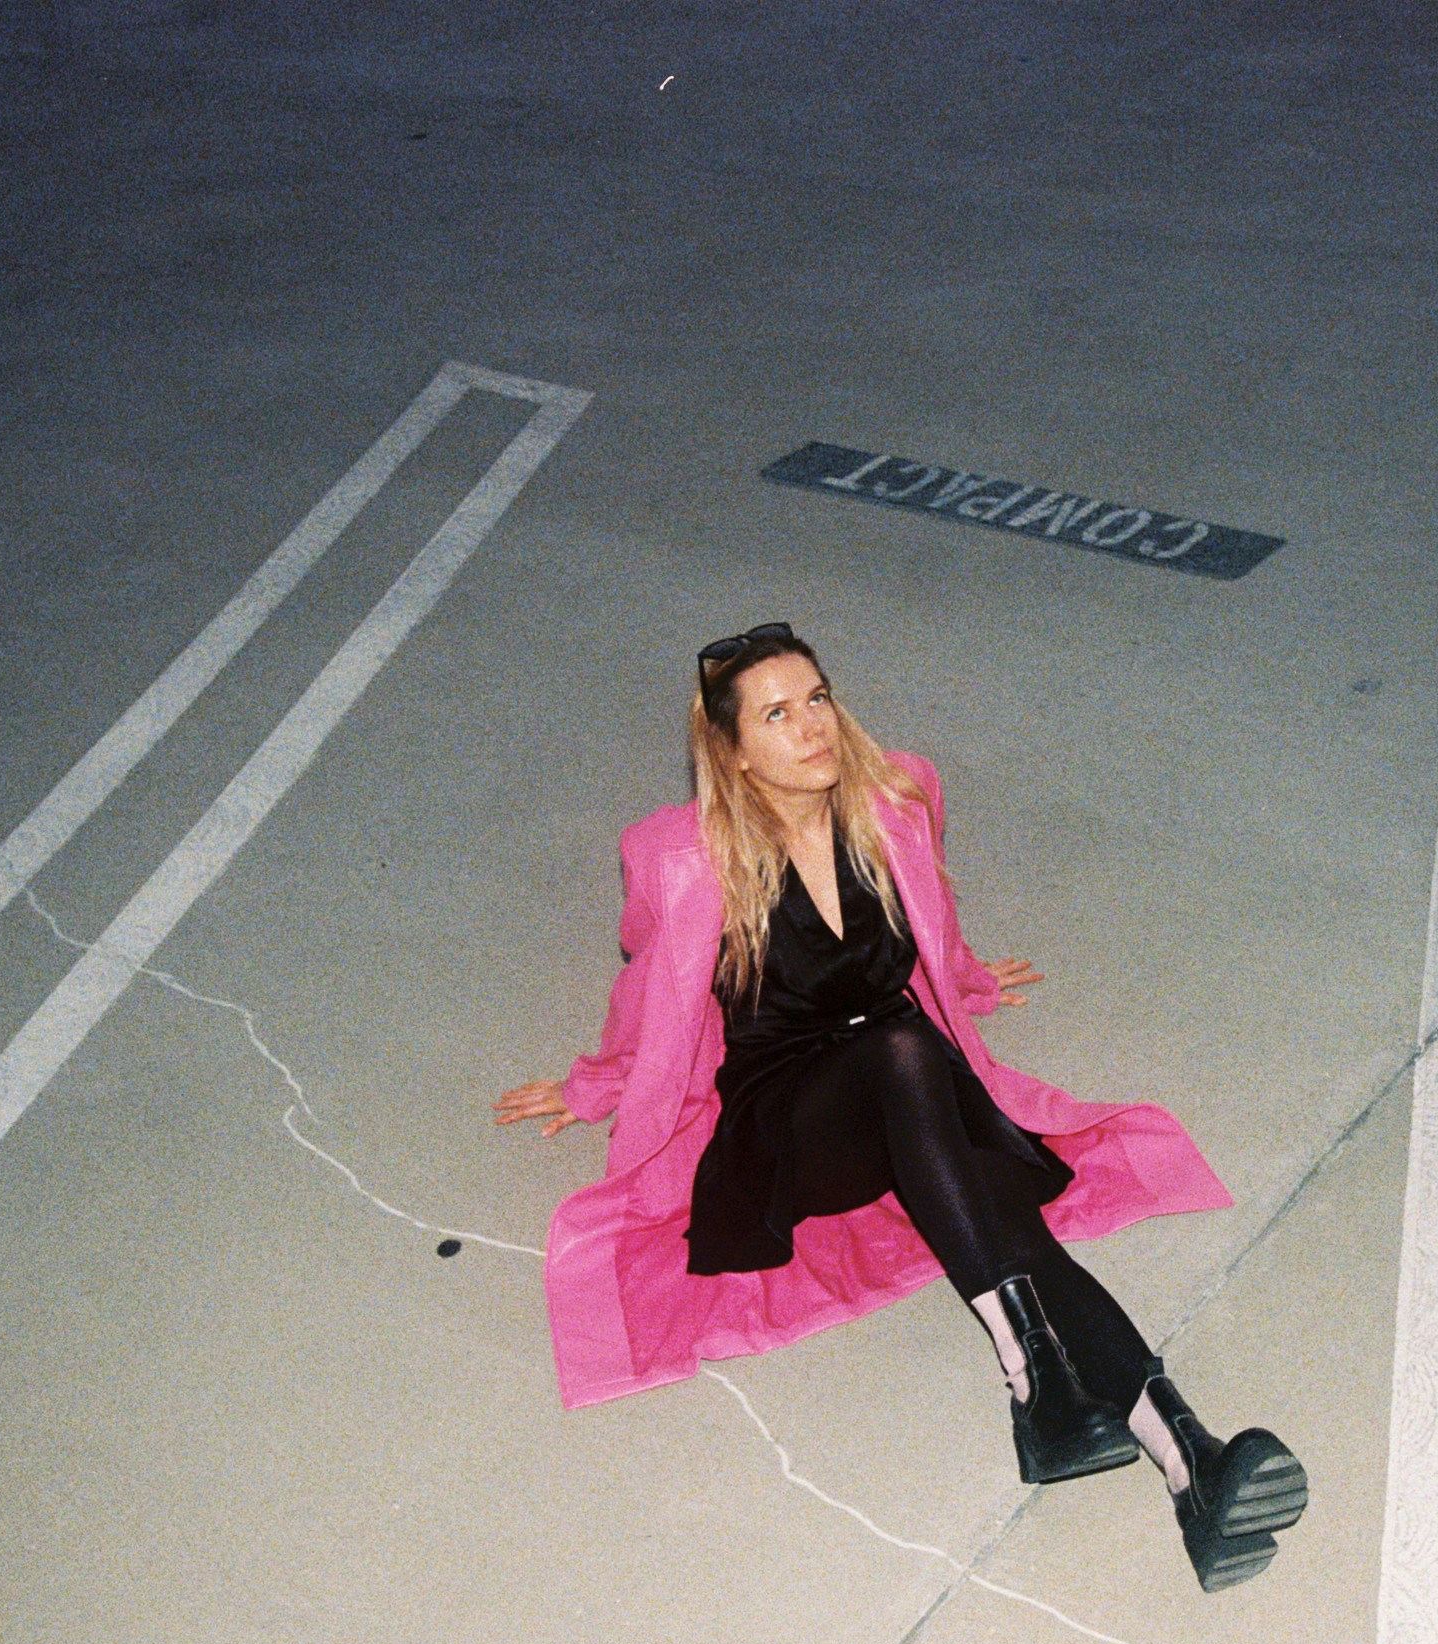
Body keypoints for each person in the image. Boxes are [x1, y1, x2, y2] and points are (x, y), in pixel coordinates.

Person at [496, 623, 1306, 1590]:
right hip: (792, 1124)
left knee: (1015, 1226)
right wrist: (594, 1085)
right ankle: (1033, 1380)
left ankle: (1190, 1462)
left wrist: (966, 979)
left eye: (817, 698)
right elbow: (650, 989)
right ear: (733, 750)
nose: (812, 727)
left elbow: (934, 919)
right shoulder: (681, 855)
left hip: (911, 1088)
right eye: (777, 714)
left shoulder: (896, 800)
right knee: (905, 1052)